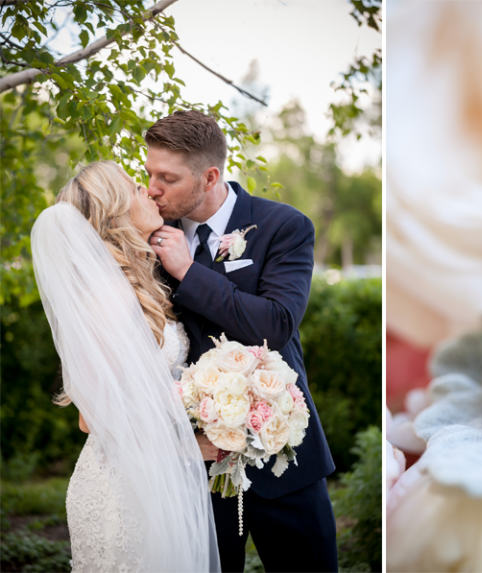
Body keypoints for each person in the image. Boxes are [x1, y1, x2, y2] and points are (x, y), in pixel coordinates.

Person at [145, 110, 338, 573]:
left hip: (283, 455)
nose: (153, 188)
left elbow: (274, 323)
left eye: (167, 178)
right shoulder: (147, 237)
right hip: (196, 463)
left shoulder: (283, 227)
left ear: (210, 176)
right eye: (149, 173)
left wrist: (188, 272)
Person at [31, 161, 221, 572]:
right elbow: (92, 418)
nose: (149, 191)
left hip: (154, 476)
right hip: (122, 491)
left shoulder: (138, 281)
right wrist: (189, 445)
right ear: (116, 210)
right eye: (136, 187)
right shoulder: (107, 299)